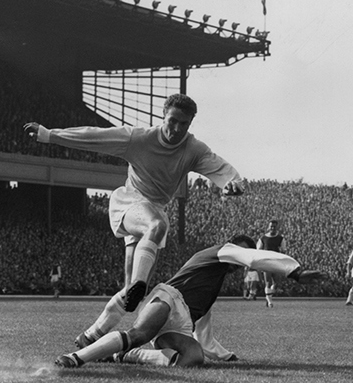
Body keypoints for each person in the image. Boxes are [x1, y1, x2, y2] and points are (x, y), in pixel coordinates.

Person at [24, 93, 245, 349]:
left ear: (190, 123)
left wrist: (234, 183)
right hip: (130, 202)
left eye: (183, 124)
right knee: (156, 228)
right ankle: (140, 284)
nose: (176, 129)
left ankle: (90, 336)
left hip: (155, 209)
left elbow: (221, 169)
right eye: (172, 121)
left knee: (130, 292)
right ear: (163, 115)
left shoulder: (194, 149)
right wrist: (49, 135)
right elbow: (95, 136)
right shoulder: (138, 138)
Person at [54, 234, 325, 368]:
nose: (241, 263)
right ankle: (76, 358)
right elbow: (253, 258)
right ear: (234, 247)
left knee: (193, 357)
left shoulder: (213, 278)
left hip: (180, 322)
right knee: (138, 334)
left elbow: (202, 326)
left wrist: (225, 355)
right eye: (242, 253)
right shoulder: (222, 251)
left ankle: (123, 354)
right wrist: (295, 271)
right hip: (170, 297)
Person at [257, 220, 287, 308]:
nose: (272, 228)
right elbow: (258, 250)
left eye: (274, 226)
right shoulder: (263, 238)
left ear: (277, 227)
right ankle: (270, 302)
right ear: (268, 227)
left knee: (276, 283)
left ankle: (268, 296)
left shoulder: (280, 238)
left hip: (276, 262)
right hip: (266, 262)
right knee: (268, 281)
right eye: (271, 226)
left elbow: (283, 250)